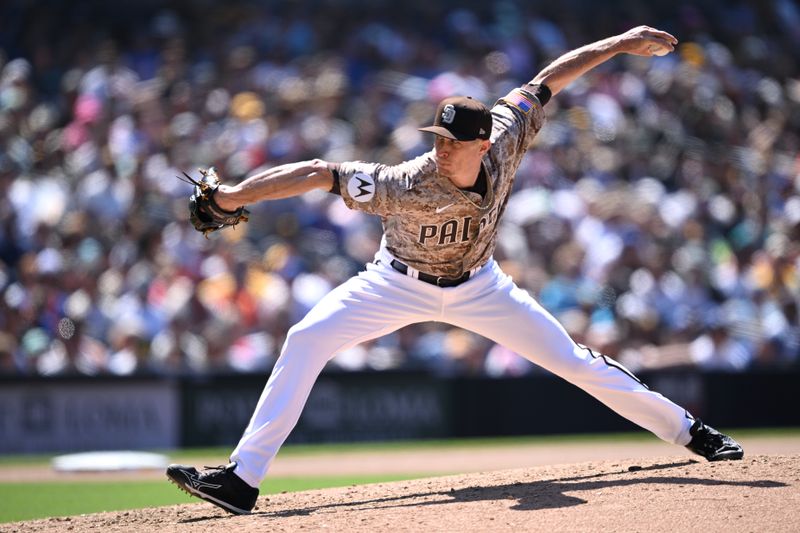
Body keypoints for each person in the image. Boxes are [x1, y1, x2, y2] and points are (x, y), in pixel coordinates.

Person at [166, 26, 743, 515]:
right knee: (305, 337)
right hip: (394, 283)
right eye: (437, 138)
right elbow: (322, 172)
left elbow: (551, 78)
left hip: (481, 287)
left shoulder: (506, 134)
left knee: (572, 361)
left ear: (483, 140)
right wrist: (235, 195)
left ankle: (692, 433)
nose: (440, 149)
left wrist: (620, 43)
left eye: (451, 141)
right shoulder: (404, 181)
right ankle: (242, 481)